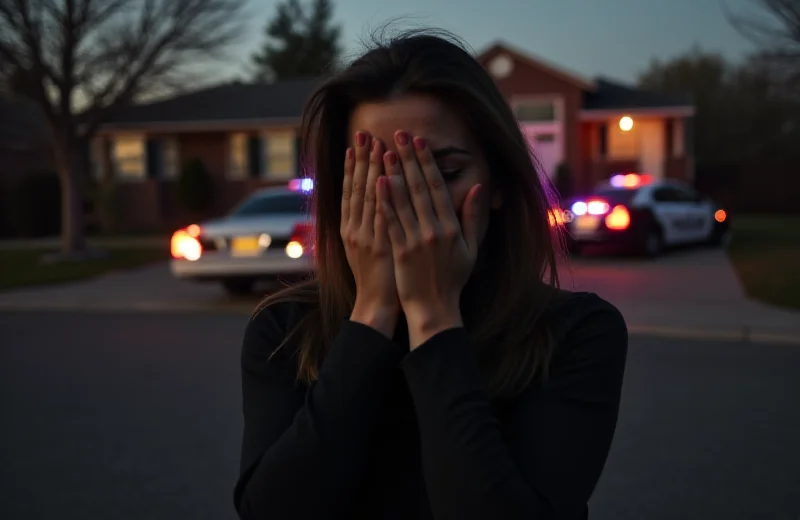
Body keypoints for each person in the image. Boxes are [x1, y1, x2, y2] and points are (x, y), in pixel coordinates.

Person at [233, 30, 628, 520]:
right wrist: (372, 314)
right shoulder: (285, 329)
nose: (408, 202)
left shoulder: (575, 332)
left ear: (498, 182)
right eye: (378, 174)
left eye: (442, 172)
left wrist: (433, 315)